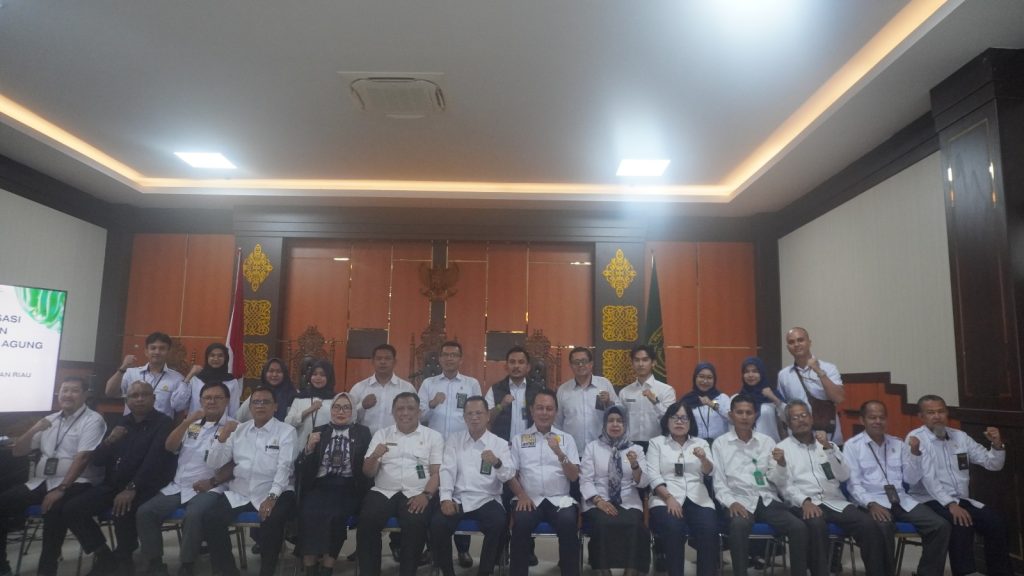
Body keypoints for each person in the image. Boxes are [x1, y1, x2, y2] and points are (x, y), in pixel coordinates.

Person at [64, 381, 176, 576]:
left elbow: (154, 460)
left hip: (146, 485)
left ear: (154, 398)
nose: (139, 399)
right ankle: (103, 555)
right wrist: (109, 441)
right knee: (72, 509)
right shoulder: (119, 422)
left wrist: (132, 487)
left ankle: (125, 556)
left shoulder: (164, 423)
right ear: (127, 400)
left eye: (144, 395)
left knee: (122, 509)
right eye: (134, 395)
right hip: (114, 484)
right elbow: (97, 461)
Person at [0, 377, 106, 576]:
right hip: (43, 481)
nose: (68, 395)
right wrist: (34, 429)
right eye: (64, 390)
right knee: (3, 502)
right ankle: (2, 564)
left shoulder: (93, 420)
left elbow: (83, 458)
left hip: (78, 481)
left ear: (85, 395)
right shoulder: (50, 420)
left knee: (54, 508)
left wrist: (61, 489)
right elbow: (18, 451)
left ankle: (47, 569)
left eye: (74, 390)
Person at [770, 400, 887, 576]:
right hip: (804, 502)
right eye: (795, 417)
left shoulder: (827, 444)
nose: (801, 420)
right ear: (788, 423)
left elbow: (843, 475)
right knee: (816, 524)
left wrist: (828, 449)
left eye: (804, 415)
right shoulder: (781, 448)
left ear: (811, 418)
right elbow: (784, 485)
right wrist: (804, 502)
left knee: (868, 524)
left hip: (834, 501)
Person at [136, 381, 236, 576]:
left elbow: (235, 464)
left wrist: (212, 482)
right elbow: (169, 446)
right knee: (145, 512)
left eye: (217, 398)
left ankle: (187, 563)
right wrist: (186, 421)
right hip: (179, 485)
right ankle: (155, 563)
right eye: (207, 398)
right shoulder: (192, 424)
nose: (212, 401)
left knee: (194, 514)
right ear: (201, 401)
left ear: (227, 401)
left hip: (212, 487)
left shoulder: (234, 426)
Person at [907, 394, 1011, 576]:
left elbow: (992, 464)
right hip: (929, 499)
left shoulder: (960, 437)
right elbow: (929, 479)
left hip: (960, 498)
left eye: (940, 411)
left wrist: (997, 445)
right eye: (931, 413)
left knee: (995, 523)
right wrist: (950, 504)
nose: (937, 416)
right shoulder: (916, 438)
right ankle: (966, 572)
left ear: (947, 413)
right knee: (961, 523)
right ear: (921, 417)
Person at [844, 400, 950, 576]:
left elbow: (911, 478)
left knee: (940, 526)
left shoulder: (898, 444)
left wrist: (915, 454)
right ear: (862, 420)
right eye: (872, 417)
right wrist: (871, 504)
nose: (878, 421)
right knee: (882, 527)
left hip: (901, 499)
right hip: (871, 500)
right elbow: (853, 485)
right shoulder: (852, 446)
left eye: (882, 417)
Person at [204, 386, 297, 576]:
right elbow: (214, 463)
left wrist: (272, 497)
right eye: (256, 402)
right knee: (210, 518)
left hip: (275, 490)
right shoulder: (239, 430)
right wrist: (222, 437)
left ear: (275, 406)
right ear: (250, 406)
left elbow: (284, 467)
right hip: (240, 491)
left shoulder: (286, 431)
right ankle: (229, 570)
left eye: (266, 402)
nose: (260, 406)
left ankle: (267, 571)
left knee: (272, 520)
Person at [712, 394, 808, 576]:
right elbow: (719, 482)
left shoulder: (767, 441)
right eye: (739, 412)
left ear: (755, 415)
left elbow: (777, 479)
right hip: (738, 499)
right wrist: (731, 502)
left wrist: (781, 465)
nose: (744, 417)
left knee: (798, 527)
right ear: (731, 415)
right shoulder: (720, 444)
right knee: (738, 525)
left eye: (749, 412)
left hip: (766, 499)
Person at [358, 392, 444, 576]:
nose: (405, 413)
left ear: (419, 412)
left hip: (417, 492)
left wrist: (426, 495)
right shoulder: (382, 434)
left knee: (415, 523)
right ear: (393, 412)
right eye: (400, 409)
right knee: (367, 520)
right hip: (383, 490)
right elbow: (368, 472)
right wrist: (374, 456)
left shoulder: (433, 437)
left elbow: (436, 473)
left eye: (410, 408)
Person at [430, 396, 514, 576]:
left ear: (488, 416)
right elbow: (447, 470)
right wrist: (445, 498)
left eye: (479, 413)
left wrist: (497, 463)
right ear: (464, 417)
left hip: (487, 498)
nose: (474, 417)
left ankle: (485, 571)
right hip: (458, 498)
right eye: (470, 414)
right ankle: (447, 572)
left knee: (498, 523)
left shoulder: (499, 443)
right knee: (438, 524)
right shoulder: (454, 439)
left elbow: (508, 476)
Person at [417, 340, 483, 567]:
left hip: (462, 447)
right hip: (433, 448)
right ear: (439, 359)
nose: (449, 358)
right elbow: (418, 416)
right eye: (445, 354)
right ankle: (432, 548)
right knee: (434, 496)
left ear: (460, 359)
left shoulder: (471, 383)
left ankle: (463, 549)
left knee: (458, 494)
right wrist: (432, 404)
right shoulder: (428, 383)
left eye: (454, 355)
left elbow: (479, 414)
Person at [295, 392, 371, 576]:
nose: (341, 412)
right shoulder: (319, 431)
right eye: (337, 407)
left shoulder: (362, 433)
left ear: (353, 411)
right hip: (320, 485)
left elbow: (365, 467)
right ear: (331, 410)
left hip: (348, 486)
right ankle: (310, 567)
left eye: (346, 408)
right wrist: (309, 449)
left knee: (336, 515)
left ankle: (328, 567)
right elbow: (302, 468)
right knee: (308, 513)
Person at [507, 389, 581, 576]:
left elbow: (574, 476)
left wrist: (560, 454)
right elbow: (510, 474)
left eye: (549, 408)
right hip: (529, 499)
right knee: (521, 523)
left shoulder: (567, 439)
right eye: (540, 408)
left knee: (568, 523)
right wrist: (521, 495)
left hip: (560, 500)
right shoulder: (519, 439)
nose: (544, 413)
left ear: (556, 412)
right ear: (532, 410)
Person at [646, 400, 717, 576]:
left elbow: (709, 472)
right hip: (665, 497)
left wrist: (703, 459)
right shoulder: (657, 443)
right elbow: (653, 475)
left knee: (709, 528)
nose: (679, 422)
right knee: (673, 527)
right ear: (667, 421)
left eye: (684, 418)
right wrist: (669, 498)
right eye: (675, 417)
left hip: (698, 497)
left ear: (690, 422)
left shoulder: (701, 443)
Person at [580, 406, 650, 576]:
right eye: (611, 420)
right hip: (598, 498)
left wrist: (635, 466)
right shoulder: (592, 447)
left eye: (620, 421)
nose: (615, 424)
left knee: (635, 525)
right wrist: (598, 501)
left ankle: (631, 570)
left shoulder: (636, 449)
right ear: (604, 424)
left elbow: (643, 483)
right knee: (602, 523)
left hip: (628, 499)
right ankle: (603, 570)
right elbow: (585, 480)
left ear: (625, 425)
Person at [776, 327, 844, 442]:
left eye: (800, 340)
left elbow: (839, 398)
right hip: (798, 438)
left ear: (809, 342)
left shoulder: (828, 368)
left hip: (828, 436)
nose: (796, 344)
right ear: (788, 348)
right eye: (791, 342)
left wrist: (819, 371)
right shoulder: (784, 375)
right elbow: (784, 408)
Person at [105, 331, 187, 418]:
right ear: (146, 352)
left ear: (168, 352)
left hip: (161, 425)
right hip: (132, 424)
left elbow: (179, 410)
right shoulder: (131, 373)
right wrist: (123, 368)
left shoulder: (177, 379)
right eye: (153, 348)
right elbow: (109, 392)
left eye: (162, 348)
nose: (157, 352)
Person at [555, 346, 620, 453]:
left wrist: (609, 403)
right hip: (572, 450)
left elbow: (619, 414)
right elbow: (557, 422)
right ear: (571, 365)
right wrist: (561, 449)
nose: (580, 365)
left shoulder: (604, 384)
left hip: (601, 448)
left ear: (591, 364)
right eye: (576, 362)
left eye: (584, 361)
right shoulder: (563, 390)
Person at [349, 344, 416, 436]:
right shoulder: (359, 387)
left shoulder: (407, 388)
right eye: (379, 358)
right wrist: (362, 406)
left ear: (394, 362)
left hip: (397, 440)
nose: (383, 362)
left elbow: (415, 417)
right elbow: (347, 417)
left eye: (387, 358)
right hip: (366, 440)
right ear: (372, 362)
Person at [485, 346, 545, 443]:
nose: (516, 366)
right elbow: (486, 419)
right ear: (506, 366)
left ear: (528, 367)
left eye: (521, 362)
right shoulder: (495, 389)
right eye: (512, 362)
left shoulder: (538, 391)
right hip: (502, 444)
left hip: (530, 444)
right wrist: (501, 406)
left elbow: (546, 418)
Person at [617, 345, 675, 446]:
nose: (640, 364)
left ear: (653, 363)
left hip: (658, 444)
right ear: (632, 364)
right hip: (630, 444)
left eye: (645, 360)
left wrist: (655, 402)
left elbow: (671, 418)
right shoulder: (624, 392)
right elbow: (619, 419)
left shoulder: (666, 390)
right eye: (637, 360)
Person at [285, 358, 336, 458]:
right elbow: (288, 423)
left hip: (326, 449)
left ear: (329, 377)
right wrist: (309, 410)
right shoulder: (299, 398)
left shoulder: (335, 399)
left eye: (322, 375)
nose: (318, 377)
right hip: (301, 448)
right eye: (314, 374)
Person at [182, 343, 243, 418]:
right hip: (195, 422)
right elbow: (179, 404)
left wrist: (230, 424)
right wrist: (190, 375)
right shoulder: (196, 379)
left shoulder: (232, 381)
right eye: (212, 355)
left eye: (220, 356)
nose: (216, 359)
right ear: (207, 357)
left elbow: (234, 409)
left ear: (226, 358)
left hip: (221, 424)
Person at [680, 362, 730, 442]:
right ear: (695, 378)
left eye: (709, 378)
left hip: (720, 444)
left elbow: (732, 418)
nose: (705, 381)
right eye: (701, 376)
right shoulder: (687, 400)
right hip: (694, 444)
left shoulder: (722, 398)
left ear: (714, 380)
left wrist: (713, 404)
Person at [737, 356, 784, 441]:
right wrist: (714, 404)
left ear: (762, 373)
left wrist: (774, 398)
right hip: (745, 444)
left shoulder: (773, 394)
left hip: (770, 444)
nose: (750, 375)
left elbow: (787, 417)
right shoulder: (738, 398)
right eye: (747, 372)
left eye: (755, 371)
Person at [237, 357, 297, 422]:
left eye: (279, 371)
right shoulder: (259, 392)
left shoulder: (292, 394)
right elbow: (239, 416)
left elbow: (293, 421)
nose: (274, 374)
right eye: (271, 371)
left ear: (284, 374)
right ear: (265, 373)